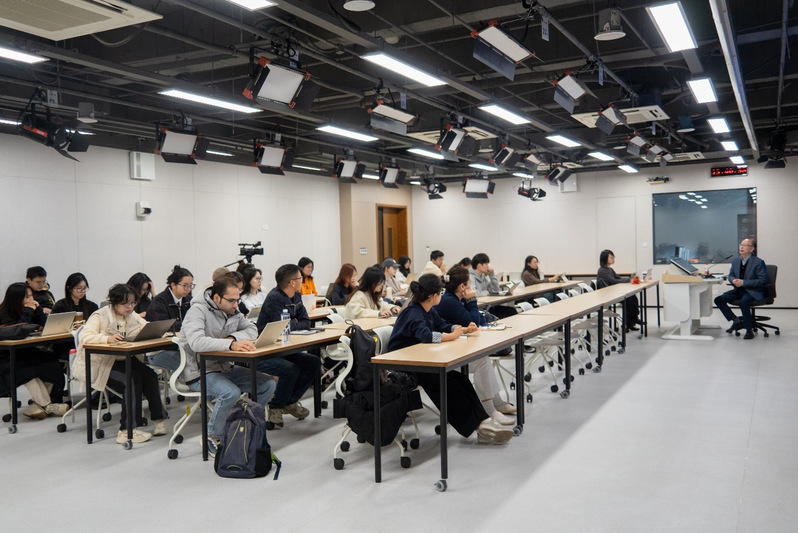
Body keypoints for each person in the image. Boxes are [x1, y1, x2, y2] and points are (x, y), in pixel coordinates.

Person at [387, 274, 513, 444]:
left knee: (459, 379)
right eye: (441, 292)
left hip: (421, 360)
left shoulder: (428, 310)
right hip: (404, 365)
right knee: (447, 385)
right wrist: (452, 336)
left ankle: (484, 420)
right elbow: (425, 335)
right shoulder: (413, 312)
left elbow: (442, 325)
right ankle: (478, 427)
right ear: (434, 296)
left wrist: (462, 329)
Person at [179, 276, 277, 456]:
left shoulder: (232, 310)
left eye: (237, 300)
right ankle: (212, 435)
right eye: (231, 300)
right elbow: (197, 343)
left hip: (224, 367)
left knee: (267, 384)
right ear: (217, 298)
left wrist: (233, 338)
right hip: (199, 372)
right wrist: (230, 345)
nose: (236, 304)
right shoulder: (197, 311)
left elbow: (252, 329)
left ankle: (243, 424)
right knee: (230, 393)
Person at [74, 284, 168, 445]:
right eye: (126, 303)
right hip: (102, 363)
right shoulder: (100, 315)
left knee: (150, 376)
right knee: (131, 381)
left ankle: (159, 420)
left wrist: (160, 332)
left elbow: (145, 326)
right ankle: (126, 431)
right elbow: (84, 337)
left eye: (133, 303)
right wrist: (106, 339)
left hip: (125, 358)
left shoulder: (131, 315)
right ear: (114, 302)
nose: (130, 307)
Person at [434, 266, 517, 423]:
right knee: (482, 361)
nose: (471, 286)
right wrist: (472, 301)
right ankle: (489, 410)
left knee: (483, 358)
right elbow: (474, 322)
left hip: (454, 348)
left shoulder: (454, 298)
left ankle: (497, 401)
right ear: (462, 286)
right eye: (469, 283)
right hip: (444, 355)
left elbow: (475, 322)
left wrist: (468, 302)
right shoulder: (449, 301)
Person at [256, 264, 322, 428]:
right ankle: (276, 407)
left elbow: (306, 321)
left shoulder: (297, 296)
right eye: (300, 278)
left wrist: (294, 324)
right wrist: (294, 323)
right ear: (292, 282)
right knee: (289, 369)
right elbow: (282, 326)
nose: (302, 281)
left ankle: (289, 402)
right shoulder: (274, 298)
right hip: (265, 351)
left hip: (285, 347)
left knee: (313, 362)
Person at [0, 283, 70, 419]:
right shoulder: (3, 313)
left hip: (27, 351)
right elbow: (19, 330)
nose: (31, 299)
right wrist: (28, 311)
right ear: (16, 298)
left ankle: (37, 405)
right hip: (8, 356)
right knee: (29, 372)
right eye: (27, 297)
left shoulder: (31, 309)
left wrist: (38, 311)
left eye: (31, 296)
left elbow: (46, 325)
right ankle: (47, 405)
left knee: (51, 363)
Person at [714, 238, 768, 340]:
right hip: (738, 290)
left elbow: (762, 280)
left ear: (751, 249)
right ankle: (736, 321)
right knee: (718, 300)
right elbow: (731, 275)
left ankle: (749, 331)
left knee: (744, 302)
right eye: (741, 245)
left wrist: (743, 282)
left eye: (745, 245)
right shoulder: (736, 260)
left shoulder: (758, 262)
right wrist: (733, 280)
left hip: (752, 291)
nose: (741, 247)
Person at [145, 265, 194, 371]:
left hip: (180, 347)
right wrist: (189, 325)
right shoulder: (159, 301)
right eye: (185, 286)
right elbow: (166, 326)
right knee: (191, 364)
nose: (188, 289)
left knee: (200, 360)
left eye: (191, 286)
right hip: (160, 351)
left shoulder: (188, 300)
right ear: (173, 285)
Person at [597, 249, 641, 331]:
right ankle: (630, 322)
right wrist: (629, 280)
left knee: (632, 297)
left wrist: (630, 279)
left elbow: (618, 278)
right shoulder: (602, 270)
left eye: (613, 257)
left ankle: (631, 322)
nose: (613, 259)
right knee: (628, 299)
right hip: (607, 295)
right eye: (611, 257)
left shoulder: (610, 269)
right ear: (605, 258)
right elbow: (614, 281)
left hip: (613, 292)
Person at [471, 253, 516, 319]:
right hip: (478, 309)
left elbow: (495, 290)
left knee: (512, 311)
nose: (488, 267)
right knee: (505, 314)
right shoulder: (470, 277)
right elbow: (474, 293)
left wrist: (492, 275)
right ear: (479, 265)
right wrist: (485, 292)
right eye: (486, 264)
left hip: (487, 306)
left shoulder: (482, 276)